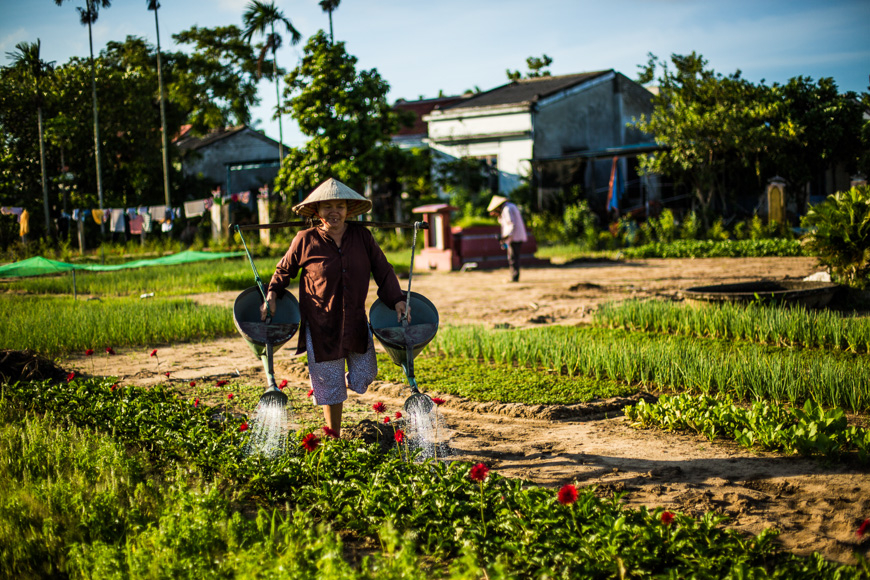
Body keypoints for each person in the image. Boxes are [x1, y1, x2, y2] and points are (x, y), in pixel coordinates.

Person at [260, 178, 407, 437]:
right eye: (327, 207)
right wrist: (272, 293)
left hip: (355, 320)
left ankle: (337, 386)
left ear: (348, 210)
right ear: (317, 212)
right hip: (321, 325)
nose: (334, 212)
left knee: (365, 372)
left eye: (339, 206)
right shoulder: (305, 239)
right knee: (330, 386)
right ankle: (333, 435)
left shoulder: (362, 237)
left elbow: (383, 270)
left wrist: (397, 299)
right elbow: (284, 270)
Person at [487, 195, 528, 282]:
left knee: (513, 258)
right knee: (513, 258)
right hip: (515, 236)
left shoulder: (507, 209)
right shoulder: (510, 207)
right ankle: (514, 276)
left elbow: (511, 224)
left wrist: (504, 237)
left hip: (514, 237)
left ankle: (514, 277)